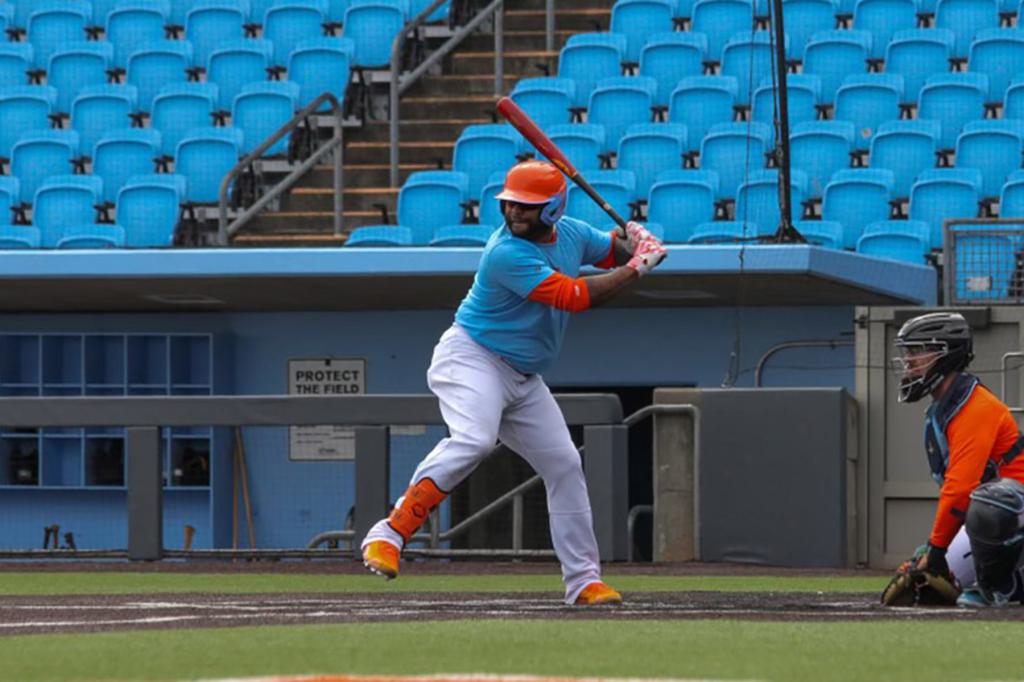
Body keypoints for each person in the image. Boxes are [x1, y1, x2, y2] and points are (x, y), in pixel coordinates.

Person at [360, 159, 667, 605]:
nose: (514, 214)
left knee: (565, 466)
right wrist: (639, 266)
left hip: (523, 377)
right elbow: (576, 296)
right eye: (510, 205)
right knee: (476, 440)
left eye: (527, 207)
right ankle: (391, 531)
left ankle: (583, 581)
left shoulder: (574, 231)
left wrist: (636, 241)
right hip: (472, 358)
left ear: (553, 210)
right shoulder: (507, 253)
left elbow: (609, 252)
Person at [891, 311, 1024, 607]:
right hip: (1006, 516)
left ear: (944, 354)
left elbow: (961, 489)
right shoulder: (942, 410)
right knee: (926, 587)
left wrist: (937, 552)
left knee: (989, 503)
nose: (909, 360)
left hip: (1011, 509)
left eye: (917, 350)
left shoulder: (976, 407)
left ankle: (1006, 587)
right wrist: (927, 553)